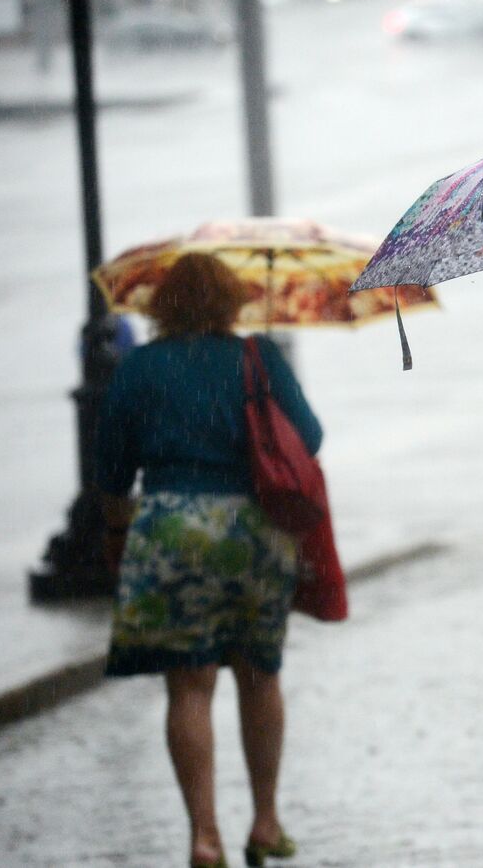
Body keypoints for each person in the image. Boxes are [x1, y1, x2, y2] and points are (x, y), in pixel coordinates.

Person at [97, 253, 320, 868]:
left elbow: (110, 469)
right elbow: (311, 437)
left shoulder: (141, 366)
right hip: (253, 529)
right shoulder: (258, 357)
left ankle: (203, 835)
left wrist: (119, 535)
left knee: (189, 686)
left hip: (170, 526)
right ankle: (267, 821)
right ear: (231, 300)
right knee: (259, 673)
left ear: (162, 304)